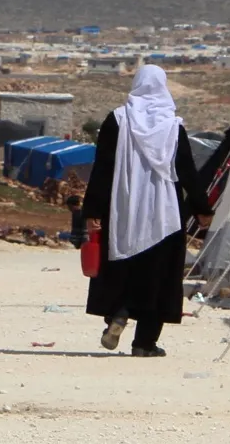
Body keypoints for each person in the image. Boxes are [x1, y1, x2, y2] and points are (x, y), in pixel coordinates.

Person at [83, 65, 209, 357]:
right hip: (164, 214)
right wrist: (203, 207)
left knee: (122, 267)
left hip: (123, 208)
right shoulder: (172, 125)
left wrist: (93, 210)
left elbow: (102, 168)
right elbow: (188, 171)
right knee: (159, 276)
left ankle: (118, 311)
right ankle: (144, 343)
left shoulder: (117, 120)